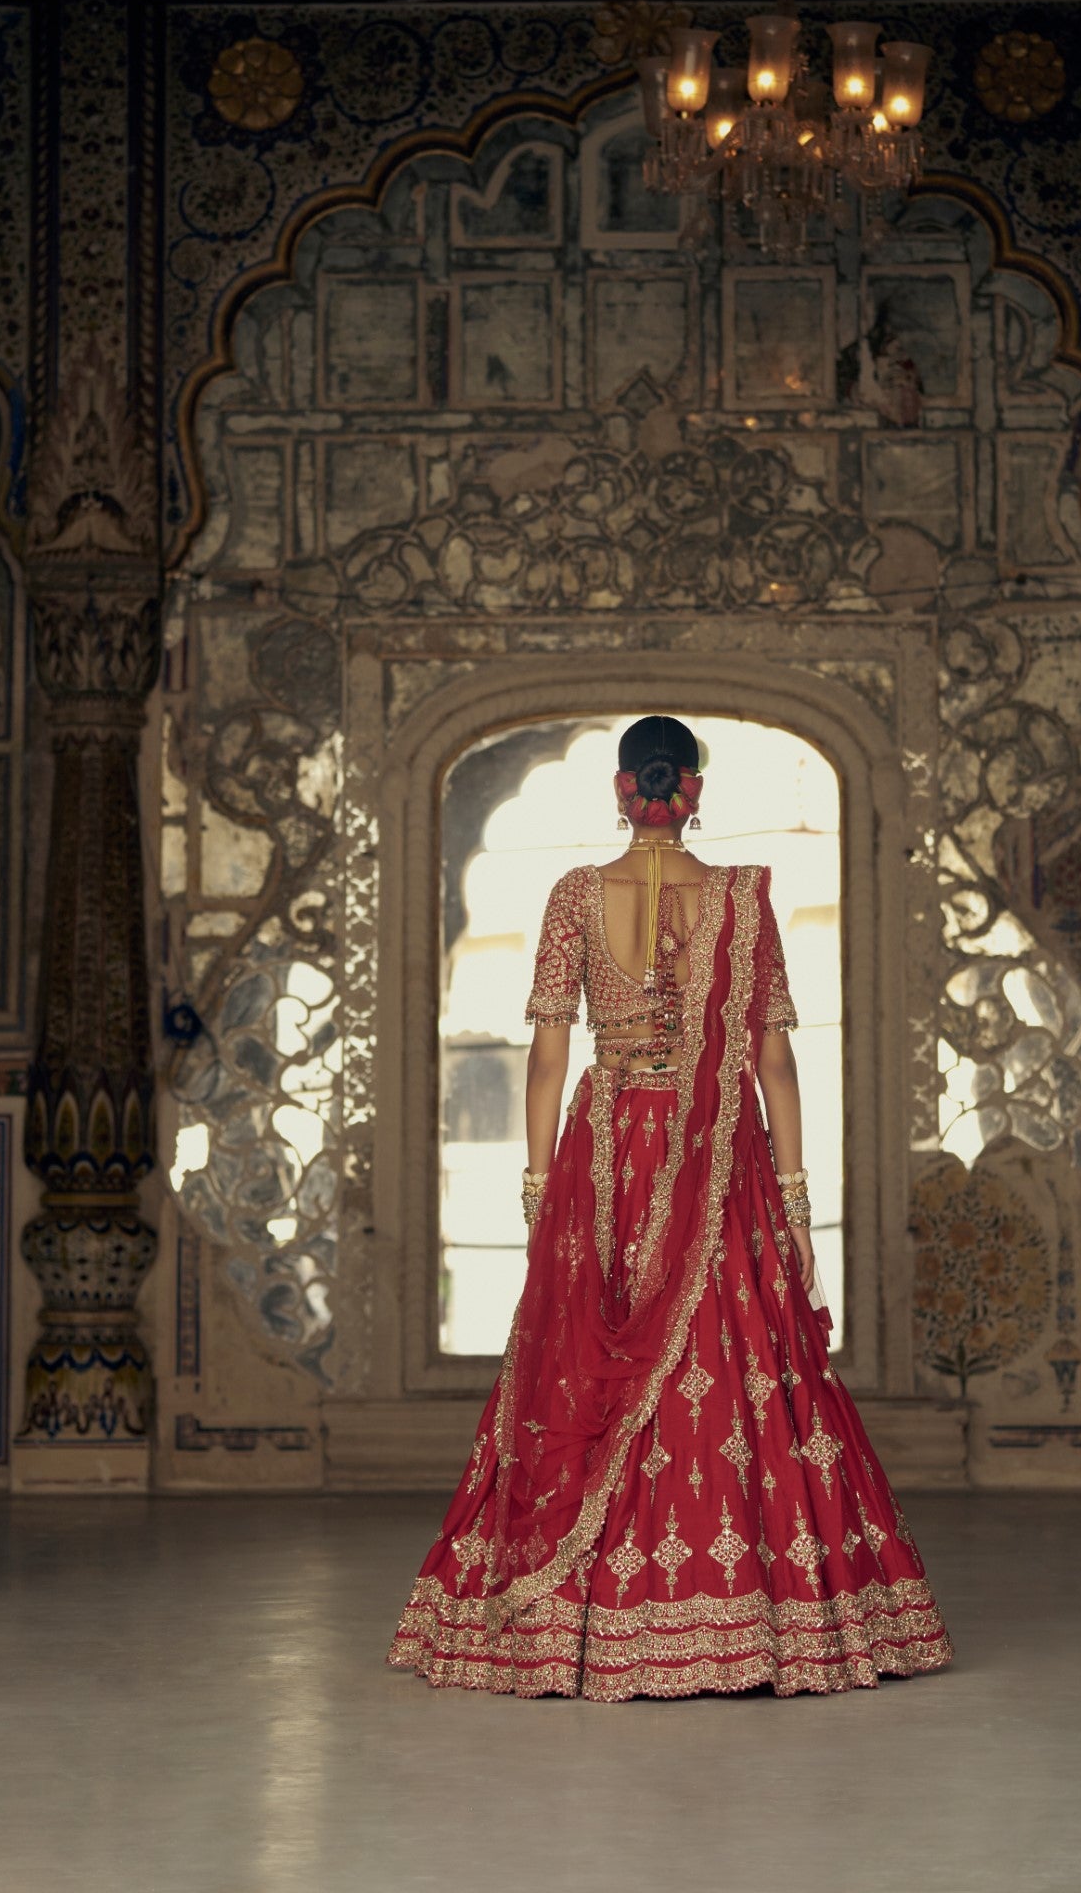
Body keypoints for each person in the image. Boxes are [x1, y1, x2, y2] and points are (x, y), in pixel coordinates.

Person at [389, 715, 952, 1700]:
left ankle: (577, 1619)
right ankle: (754, 1617)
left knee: (577, 1366)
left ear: (623, 788)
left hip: (604, 1154)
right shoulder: (738, 902)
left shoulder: (574, 896)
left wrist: (536, 1186)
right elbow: (772, 1060)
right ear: (693, 790)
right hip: (714, 1152)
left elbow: (550, 1052)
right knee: (735, 1357)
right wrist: (795, 1196)